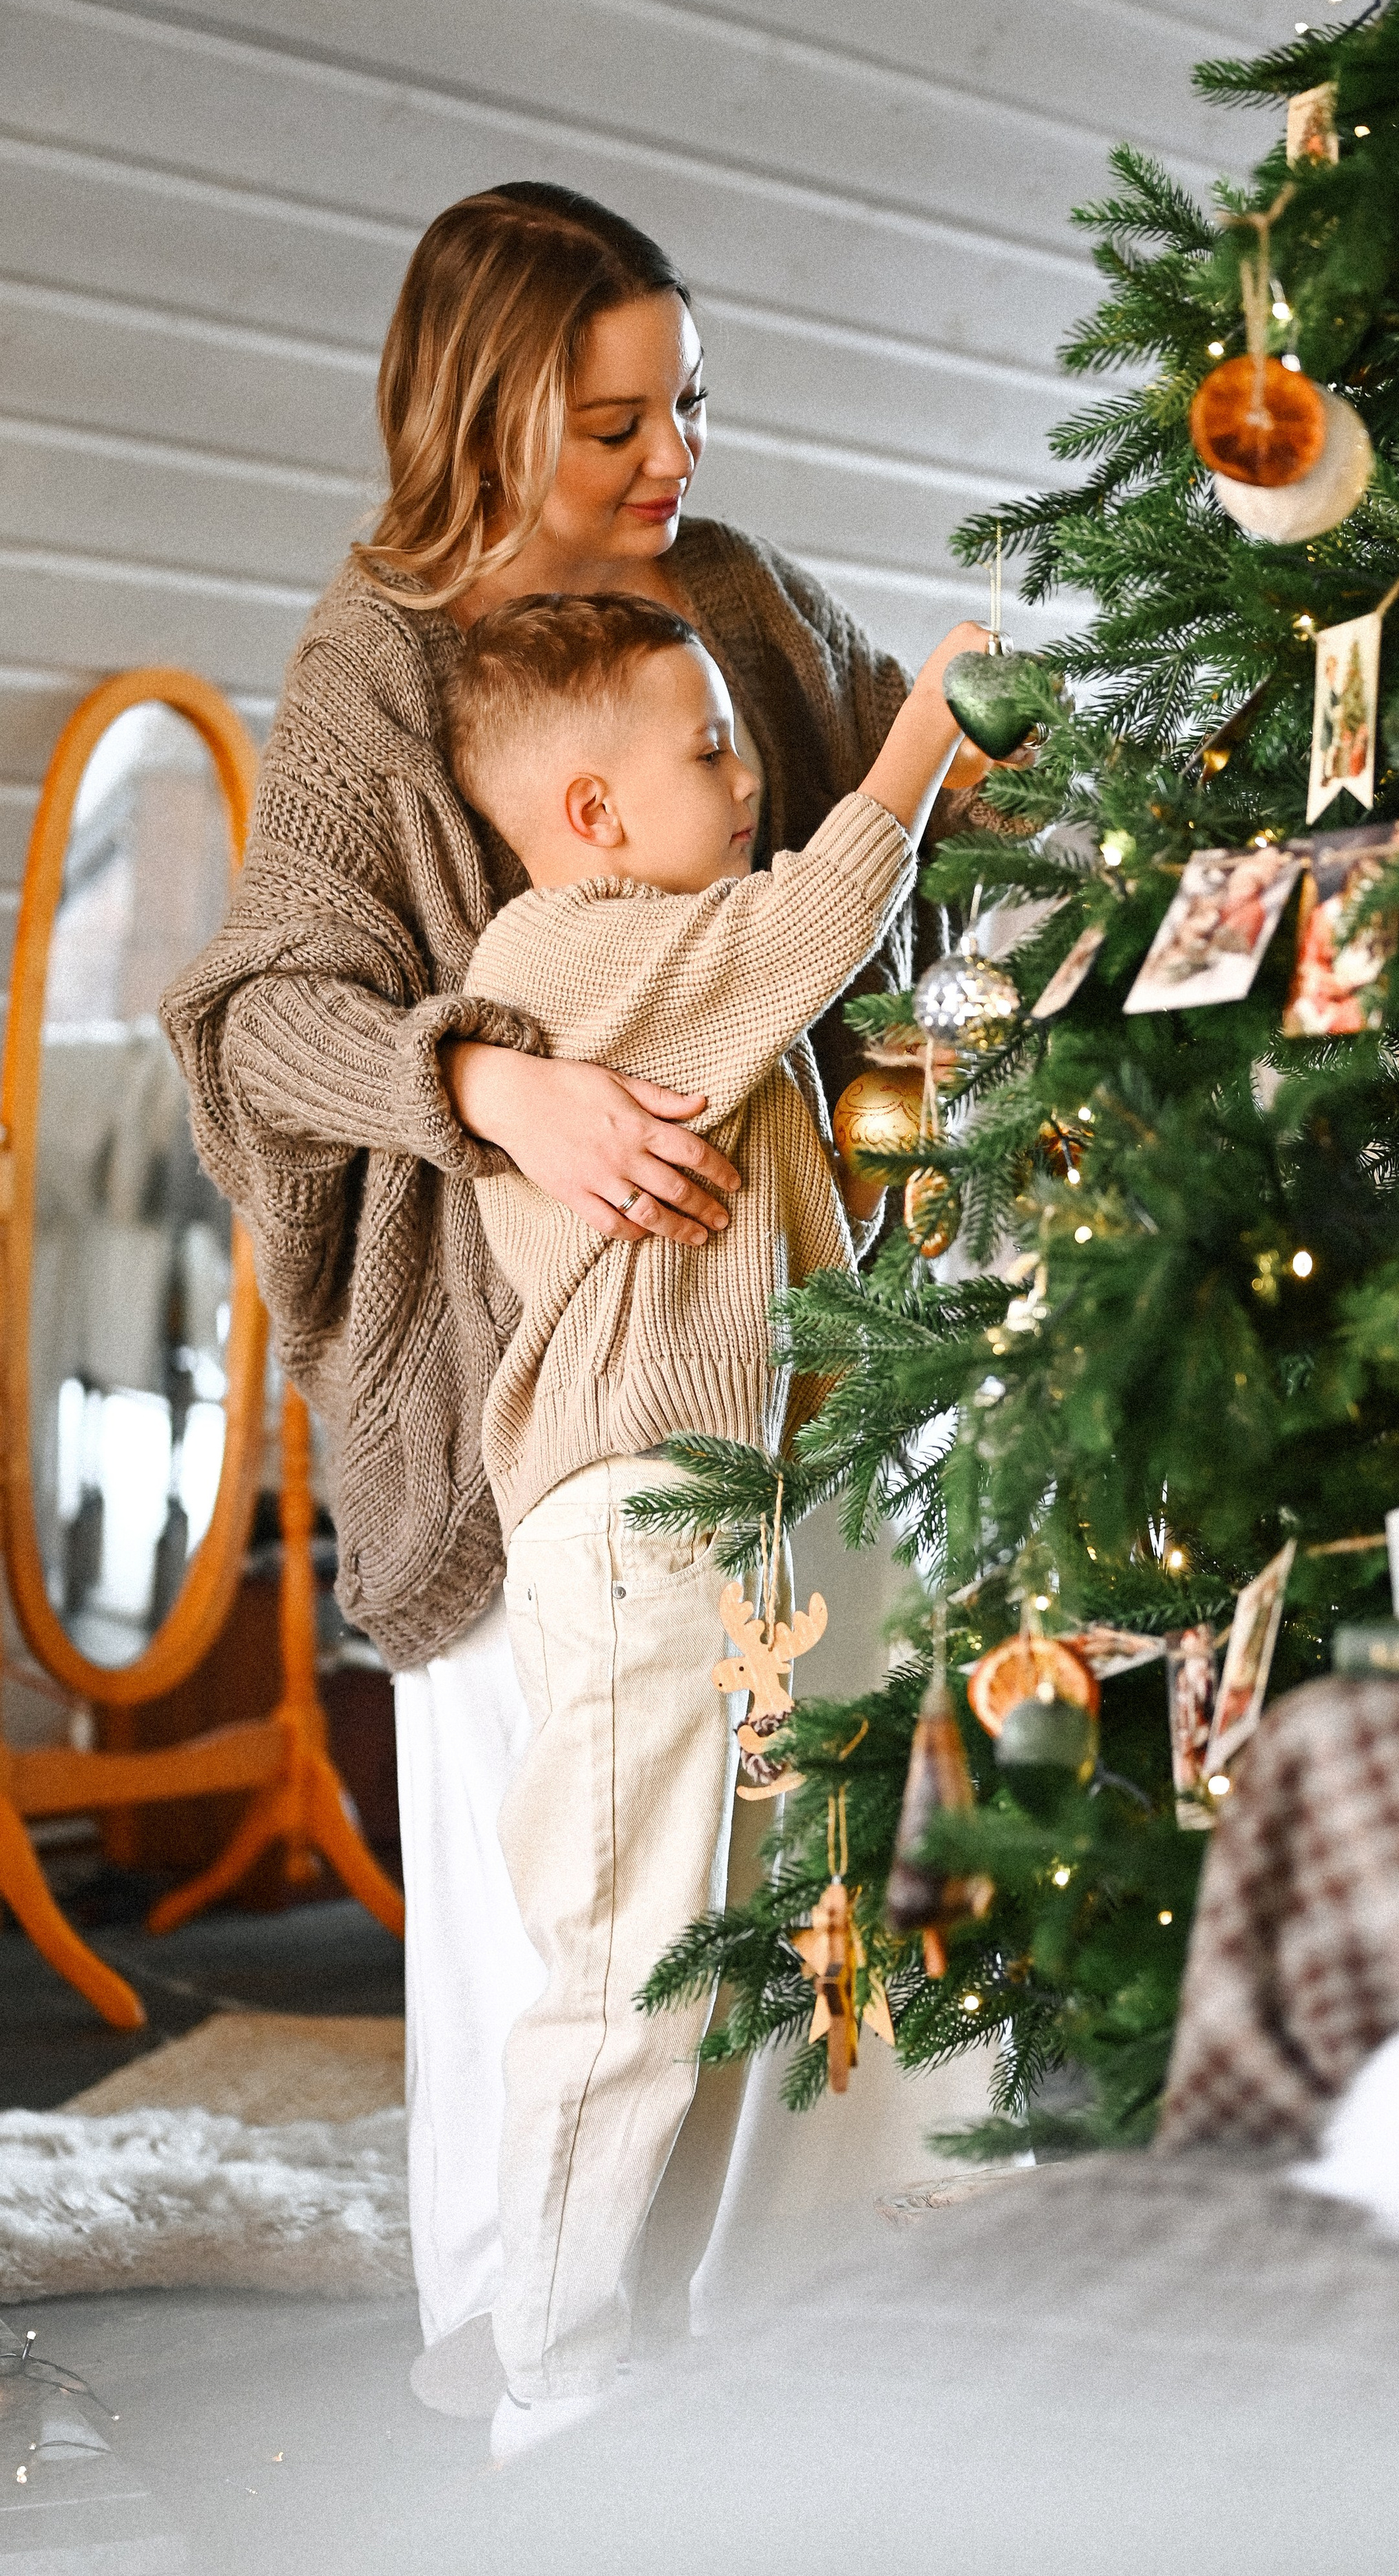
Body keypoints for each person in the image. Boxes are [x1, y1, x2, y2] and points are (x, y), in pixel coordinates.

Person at [159, 181, 964, 2419]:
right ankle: (536, 2350)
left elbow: (918, 812)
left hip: (789, 1338)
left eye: (690, 401)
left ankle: (753, 2349)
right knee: (586, 1900)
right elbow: (253, 1019)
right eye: (612, 420)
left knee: (796, 1855)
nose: (669, 459)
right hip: (539, 1370)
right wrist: (502, 1088)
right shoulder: (380, 658)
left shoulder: (738, 602)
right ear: (484, 411)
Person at [435, 588, 985, 2455]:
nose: (750, 775)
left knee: (711, 1952)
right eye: (710, 749)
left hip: (718, 1523)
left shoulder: (676, 970)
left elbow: (803, 1252)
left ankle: (632, 2345)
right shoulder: (574, 953)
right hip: (635, 1529)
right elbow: (823, 922)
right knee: (623, 1963)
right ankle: (553, 2378)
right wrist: (922, 742)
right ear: (591, 818)